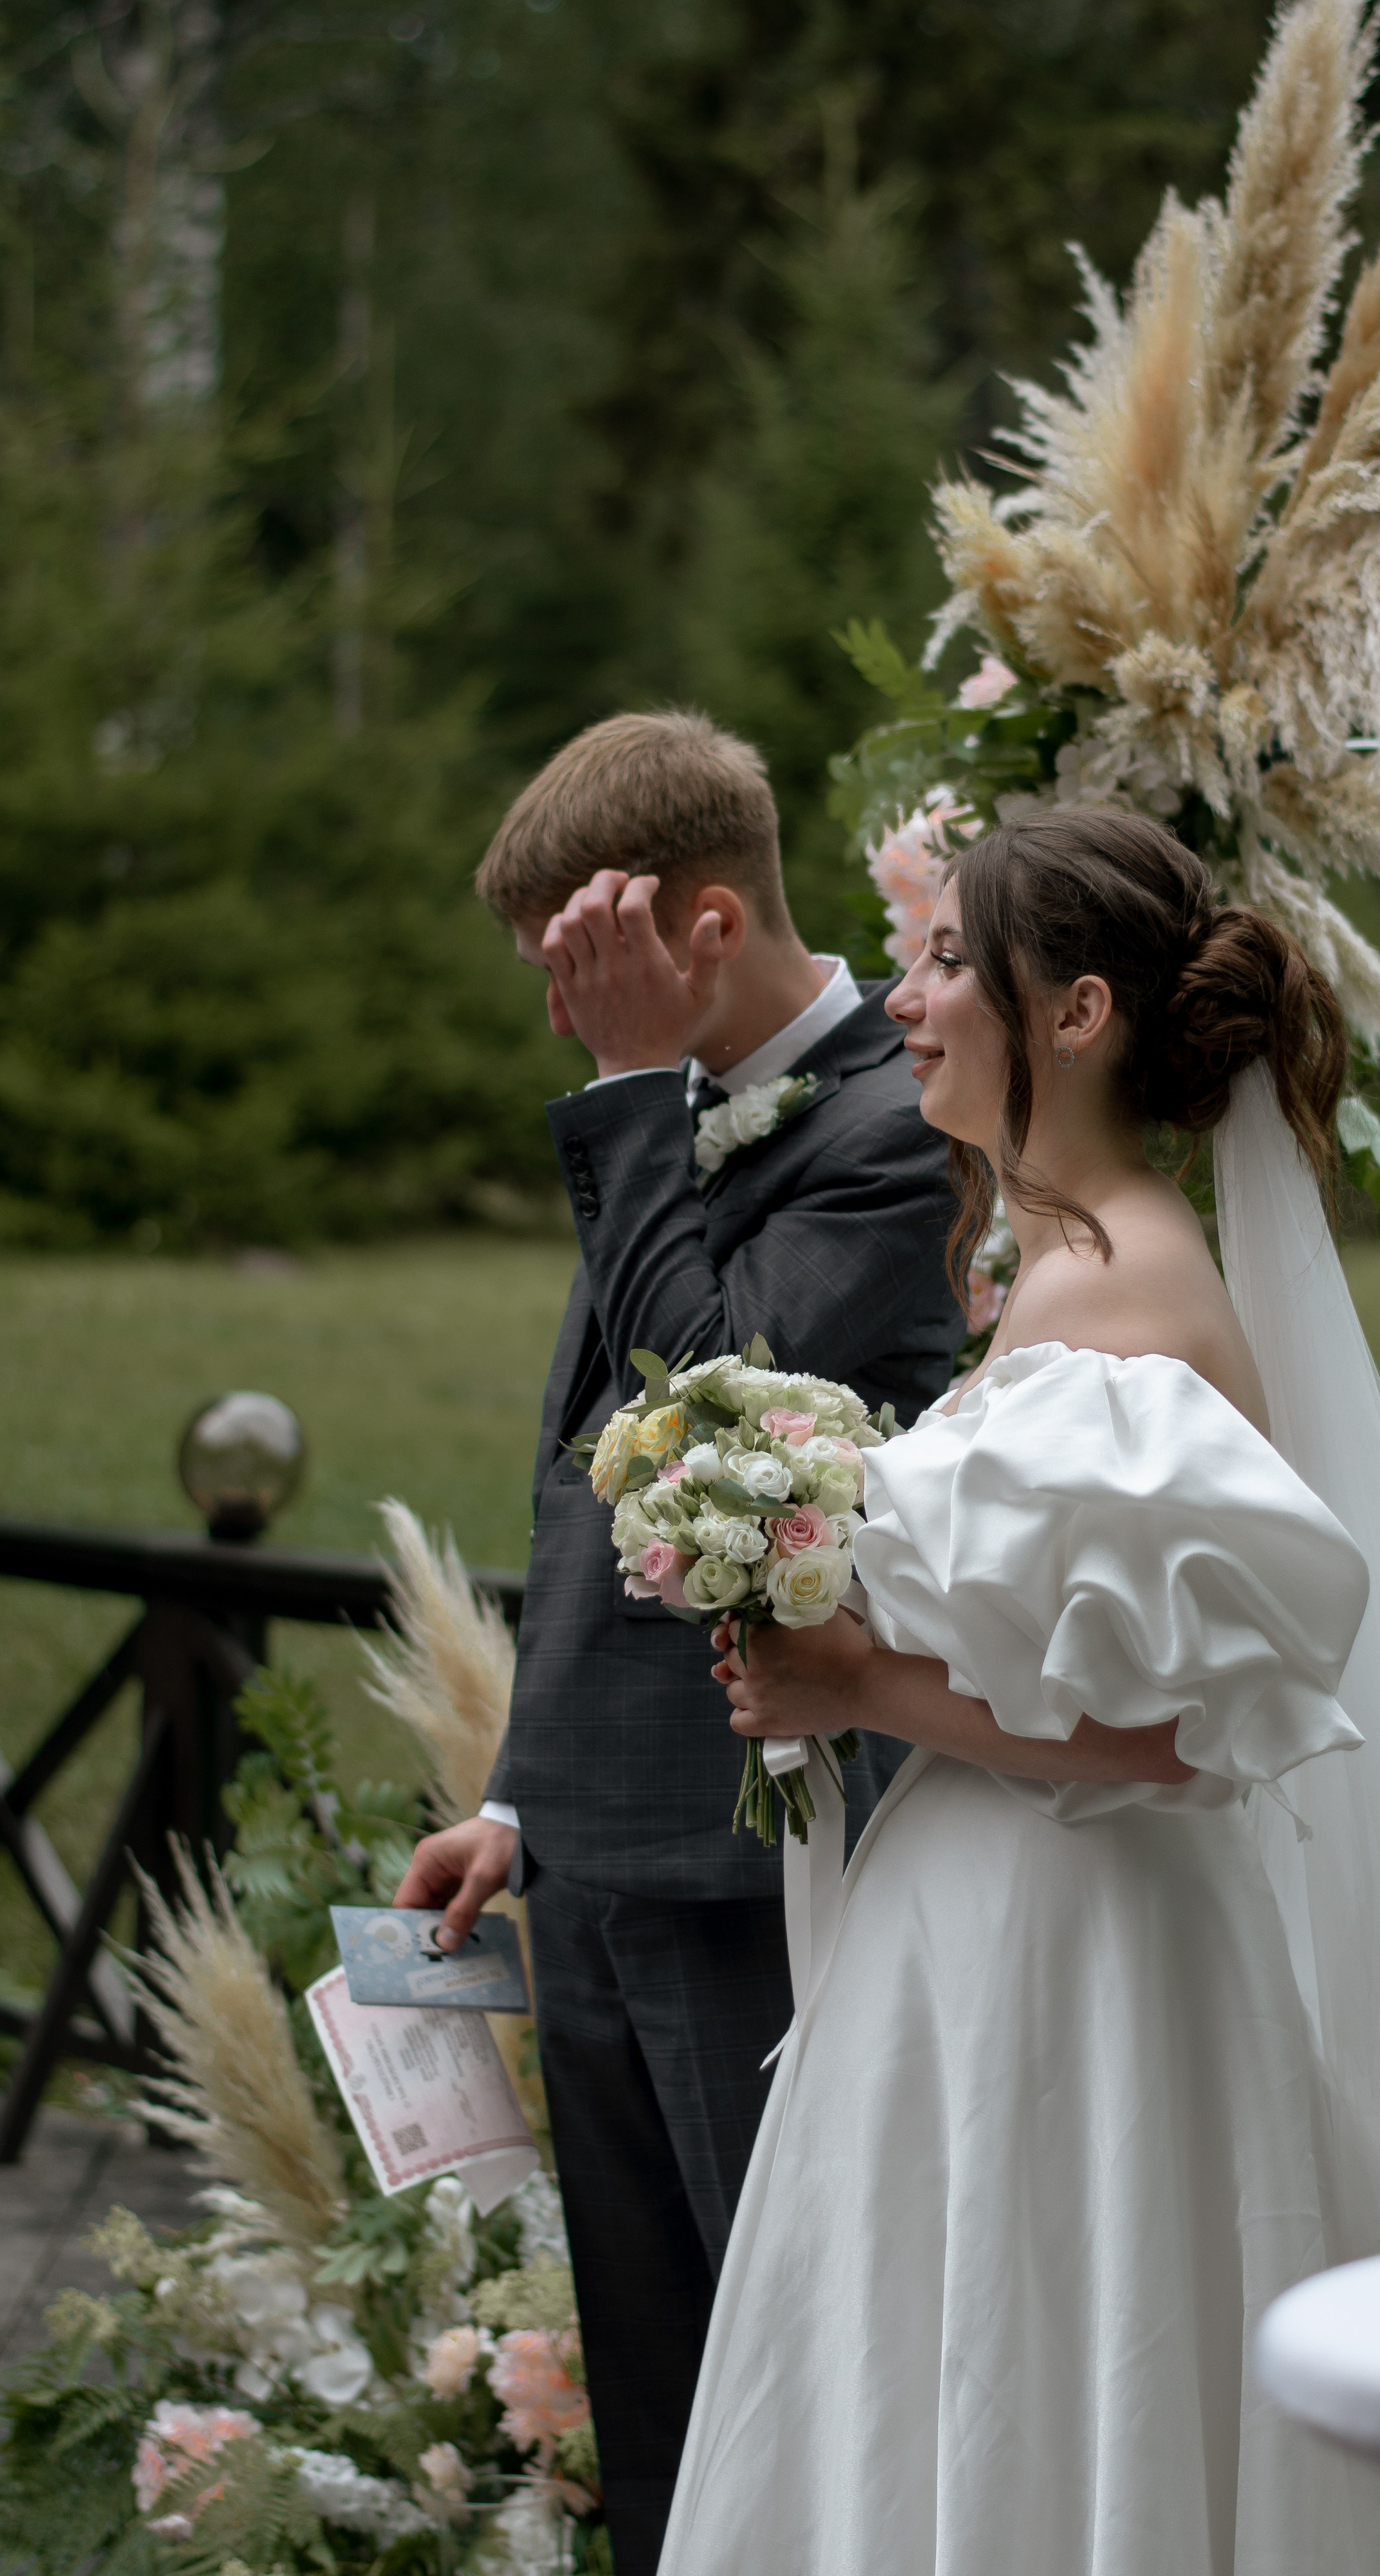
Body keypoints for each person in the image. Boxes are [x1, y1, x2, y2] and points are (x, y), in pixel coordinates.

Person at [656, 808, 1380, 2576]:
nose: (905, 993)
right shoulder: (1058, 1270)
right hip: (1007, 1934)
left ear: (1079, 1011)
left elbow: (1170, 1742)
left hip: (1075, 1956)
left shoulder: (1124, 1301)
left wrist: (857, 1676)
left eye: (950, 960)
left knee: (1051, 2353)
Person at [394, 711, 962, 2573]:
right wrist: (520, 1809)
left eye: (583, 966)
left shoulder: (890, 1135)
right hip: (606, 1842)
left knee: (782, 2339)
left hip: (754, 1852)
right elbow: (598, 1503)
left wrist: (634, 1098)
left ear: (697, 929)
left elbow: (714, 1411)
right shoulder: (677, 1109)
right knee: (654, 2378)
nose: (565, 1015)